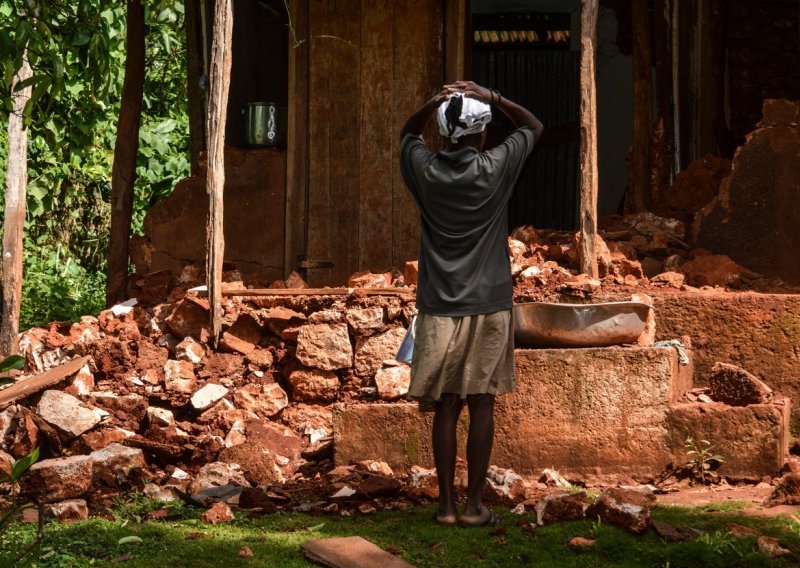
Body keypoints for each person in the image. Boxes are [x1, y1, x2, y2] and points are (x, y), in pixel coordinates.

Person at [399, 80, 543, 527]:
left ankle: (445, 507)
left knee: (446, 406)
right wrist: (494, 96)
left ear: (441, 135)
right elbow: (533, 125)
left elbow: (406, 135)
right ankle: (475, 505)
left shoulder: (425, 169)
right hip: (489, 303)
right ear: (482, 135)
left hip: (440, 306)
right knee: (482, 403)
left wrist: (434, 103)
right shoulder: (495, 166)